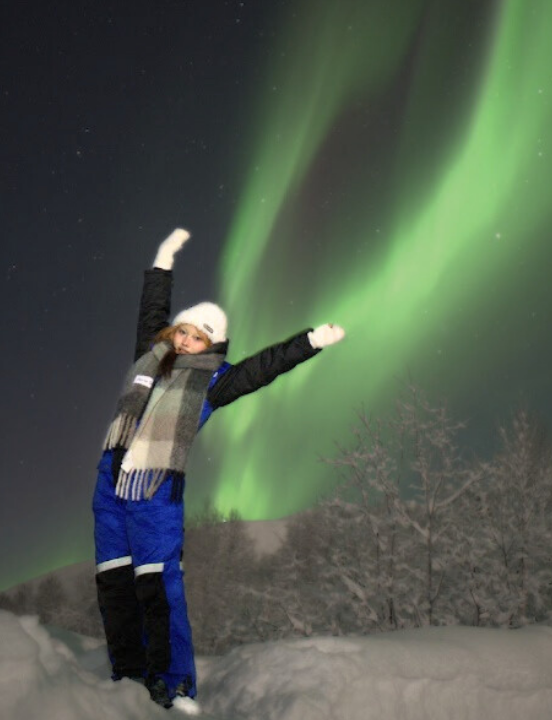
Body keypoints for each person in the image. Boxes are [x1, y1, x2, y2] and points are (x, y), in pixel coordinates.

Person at [92, 227, 345, 712]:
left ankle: (174, 684)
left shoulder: (213, 383)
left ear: (213, 345)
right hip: (110, 483)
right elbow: (150, 311)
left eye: (199, 337)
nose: (187, 341)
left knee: (158, 586)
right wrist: (163, 260)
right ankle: (128, 674)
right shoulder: (149, 358)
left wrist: (310, 341)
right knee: (115, 584)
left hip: (155, 489)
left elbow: (261, 368)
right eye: (183, 332)